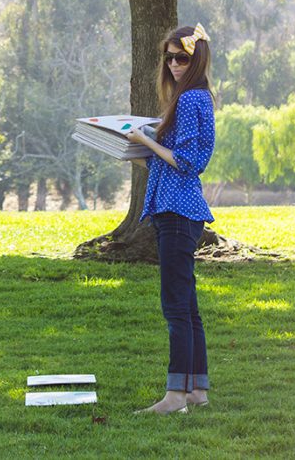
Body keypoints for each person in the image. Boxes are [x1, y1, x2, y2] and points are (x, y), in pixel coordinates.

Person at [128, 23, 216, 415]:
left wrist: (146, 140)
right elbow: (172, 158)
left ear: (196, 58)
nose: (175, 64)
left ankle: (175, 397)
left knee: (176, 306)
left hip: (178, 213)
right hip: (179, 212)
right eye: (169, 57)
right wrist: (139, 142)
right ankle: (196, 390)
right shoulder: (193, 99)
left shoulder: (191, 100)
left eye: (182, 57)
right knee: (187, 306)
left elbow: (188, 163)